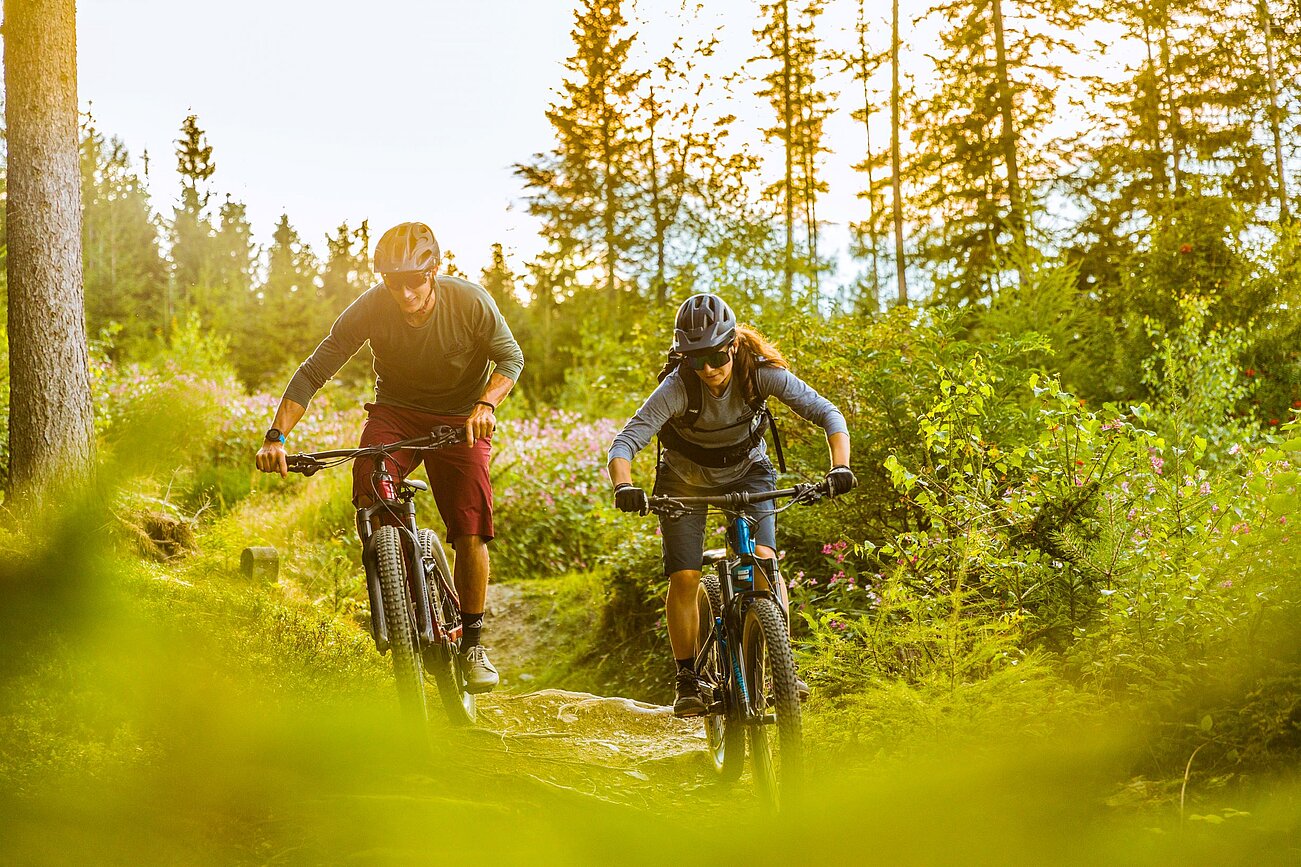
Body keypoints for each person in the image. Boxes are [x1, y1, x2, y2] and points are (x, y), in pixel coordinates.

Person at [255, 221, 523, 693]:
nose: (404, 293)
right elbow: (316, 369)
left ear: (434, 271)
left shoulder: (469, 301)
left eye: (414, 280)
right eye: (392, 282)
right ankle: (398, 588)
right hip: (396, 413)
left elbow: (510, 358)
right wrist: (276, 435)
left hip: (461, 418)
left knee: (470, 525)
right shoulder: (372, 308)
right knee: (367, 476)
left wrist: (486, 405)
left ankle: (474, 643)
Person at [606, 293, 856, 717]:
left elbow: (828, 413)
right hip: (684, 482)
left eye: (716, 356)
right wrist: (624, 485)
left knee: (763, 559)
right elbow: (626, 442)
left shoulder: (760, 375)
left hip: (749, 472)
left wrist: (840, 467)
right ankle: (687, 679)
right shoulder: (678, 386)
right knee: (685, 575)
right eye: (695, 359)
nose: (707, 369)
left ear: (733, 346)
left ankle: (780, 666)